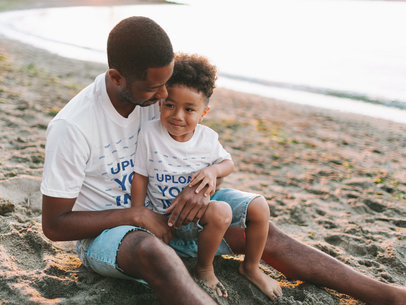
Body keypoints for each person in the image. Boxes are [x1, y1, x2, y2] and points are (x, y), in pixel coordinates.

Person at [40, 15, 406, 305]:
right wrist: (136, 215)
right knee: (152, 250)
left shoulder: (154, 100)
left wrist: (207, 182)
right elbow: (55, 226)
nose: (165, 97)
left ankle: (386, 295)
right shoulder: (73, 127)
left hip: (171, 216)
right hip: (110, 238)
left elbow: (190, 149)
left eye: (167, 84)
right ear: (117, 77)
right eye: (156, 88)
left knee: (261, 231)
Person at [131, 53, 282, 300]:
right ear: (161, 103)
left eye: (189, 109)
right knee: (221, 211)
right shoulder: (150, 134)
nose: (178, 116)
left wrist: (212, 171)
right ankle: (204, 268)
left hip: (202, 210)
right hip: (168, 217)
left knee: (259, 205)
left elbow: (228, 163)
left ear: (204, 112)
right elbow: (140, 177)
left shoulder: (207, 138)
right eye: (170, 105)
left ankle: (251, 267)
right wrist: (138, 215)